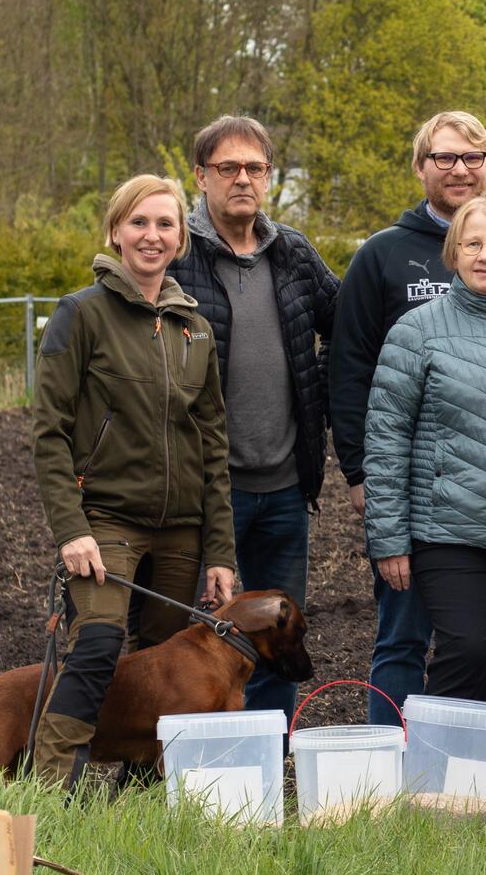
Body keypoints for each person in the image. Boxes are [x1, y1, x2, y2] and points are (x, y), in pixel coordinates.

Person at [333, 112, 486, 724]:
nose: (460, 169)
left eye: (472, 157)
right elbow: (367, 396)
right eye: (445, 158)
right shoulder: (390, 272)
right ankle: (411, 770)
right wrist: (370, 496)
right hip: (440, 518)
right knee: (434, 643)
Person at [30, 175, 237, 788]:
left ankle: (146, 798)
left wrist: (220, 552)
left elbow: (214, 447)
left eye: (165, 225)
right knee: (94, 648)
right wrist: (72, 530)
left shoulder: (194, 328)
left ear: (181, 238)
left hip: (181, 530)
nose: (152, 236)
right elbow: (49, 433)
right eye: (139, 223)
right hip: (106, 524)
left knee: (168, 669)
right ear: (116, 231)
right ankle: (48, 793)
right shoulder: (80, 314)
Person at [164, 115, 338, 717]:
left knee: (278, 634)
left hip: (286, 487)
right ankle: (179, 767)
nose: (242, 179)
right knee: (196, 637)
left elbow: (345, 325)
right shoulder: (176, 256)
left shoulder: (292, 252)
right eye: (227, 168)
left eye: (255, 168)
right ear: (200, 176)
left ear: (269, 176)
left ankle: (264, 759)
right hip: (207, 491)